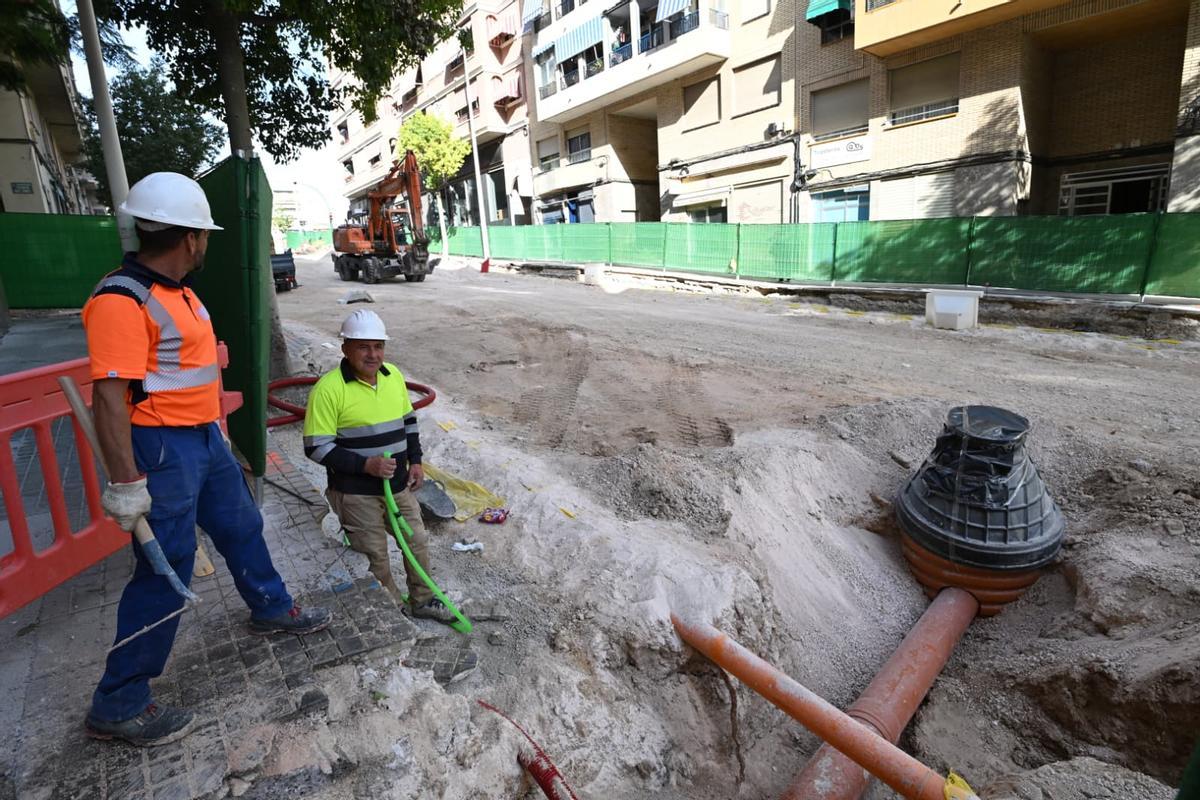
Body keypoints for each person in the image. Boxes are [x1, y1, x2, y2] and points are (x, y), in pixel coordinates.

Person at [83, 172, 332, 746]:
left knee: (241, 524)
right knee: (164, 569)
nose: (206, 244)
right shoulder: (123, 300)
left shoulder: (180, 292)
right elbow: (109, 397)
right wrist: (126, 481)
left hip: (203, 440)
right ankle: (118, 701)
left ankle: (270, 606)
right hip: (163, 449)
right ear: (191, 238)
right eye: (204, 235)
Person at [304, 309, 455, 623]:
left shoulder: (392, 376)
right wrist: (365, 466)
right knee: (375, 556)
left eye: (378, 346)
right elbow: (316, 447)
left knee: (416, 542)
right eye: (363, 347)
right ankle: (390, 608)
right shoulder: (328, 389)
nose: (373, 355)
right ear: (346, 348)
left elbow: (407, 420)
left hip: (397, 487)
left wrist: (415, 461)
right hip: (356, 494)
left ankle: (423, 600)